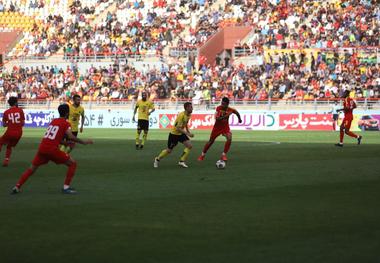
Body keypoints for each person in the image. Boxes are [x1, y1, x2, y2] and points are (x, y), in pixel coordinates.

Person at [11, 104, 93, 195]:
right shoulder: (66, 123)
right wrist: (84, 142)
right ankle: (66, 187)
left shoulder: (54, 121)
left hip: (42, 148)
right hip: (52, 150)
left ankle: (17, 186)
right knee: (73, 163)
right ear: (67, 113)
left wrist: (65, 143)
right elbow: (71, 136)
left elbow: (53, 137)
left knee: (32, 169)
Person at [198, 97, 242, 161]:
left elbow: (236, 112)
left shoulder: (230, 109)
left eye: (223, 104)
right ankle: (202, 155)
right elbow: (217, 119)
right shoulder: (219, 108)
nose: (222, 104)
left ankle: (223, 155)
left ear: (227, 104)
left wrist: (239, 119)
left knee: (229, 138)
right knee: (211, 141)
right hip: (217, 128)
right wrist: (226, 116)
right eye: (222, 103)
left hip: (225, 127)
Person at [154, 102, 194, 168]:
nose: (192, 108)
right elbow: (178, 128)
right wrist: (187, 134)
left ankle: (181, 161)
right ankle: (157, 159)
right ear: (187, 108)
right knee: (169, 150)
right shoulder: (181, 115)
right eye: (191, 107)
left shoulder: (189, 115)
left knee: (189, 145)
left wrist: (188, 131)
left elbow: (185, 123)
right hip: (174, 134)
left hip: (181, 134)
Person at [0, 97, 25, 166]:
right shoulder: (20, 110)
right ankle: (6, 160)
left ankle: (6, 161)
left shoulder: (6, 112)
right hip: (19, 133)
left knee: (0, 142)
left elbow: (4, 125)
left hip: (10, 132)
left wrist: (10, 123)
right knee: (9, 146)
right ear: (15, 103)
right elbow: (23, 123)